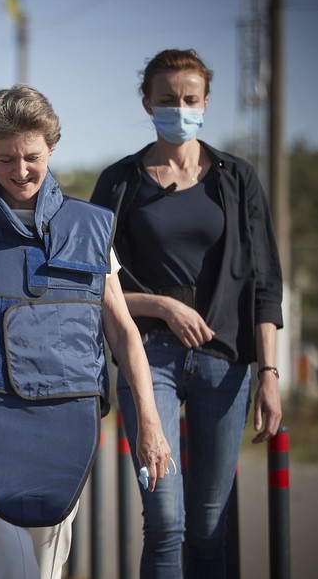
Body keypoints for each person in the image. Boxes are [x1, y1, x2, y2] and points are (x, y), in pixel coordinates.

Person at [0, 84, 172, 579]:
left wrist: (151, 424)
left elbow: (122, 331)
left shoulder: (92, 227)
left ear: (51, 147)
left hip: (68, 410)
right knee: (11, 561)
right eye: (5, 158)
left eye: (31, 156)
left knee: (50, 560)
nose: (20, 170)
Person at [90, 49, 284, 578]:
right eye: (168, 99)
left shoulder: (237, 180)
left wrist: (268, 373)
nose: (180, 108)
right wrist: (161, 304)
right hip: (146, 358)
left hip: (226, 361)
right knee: (167, 521)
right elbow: (91, 285)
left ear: (205, 102)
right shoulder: (120, 182)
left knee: (206, 527)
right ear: (147, 102)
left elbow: (265, 284)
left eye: (191, 99)